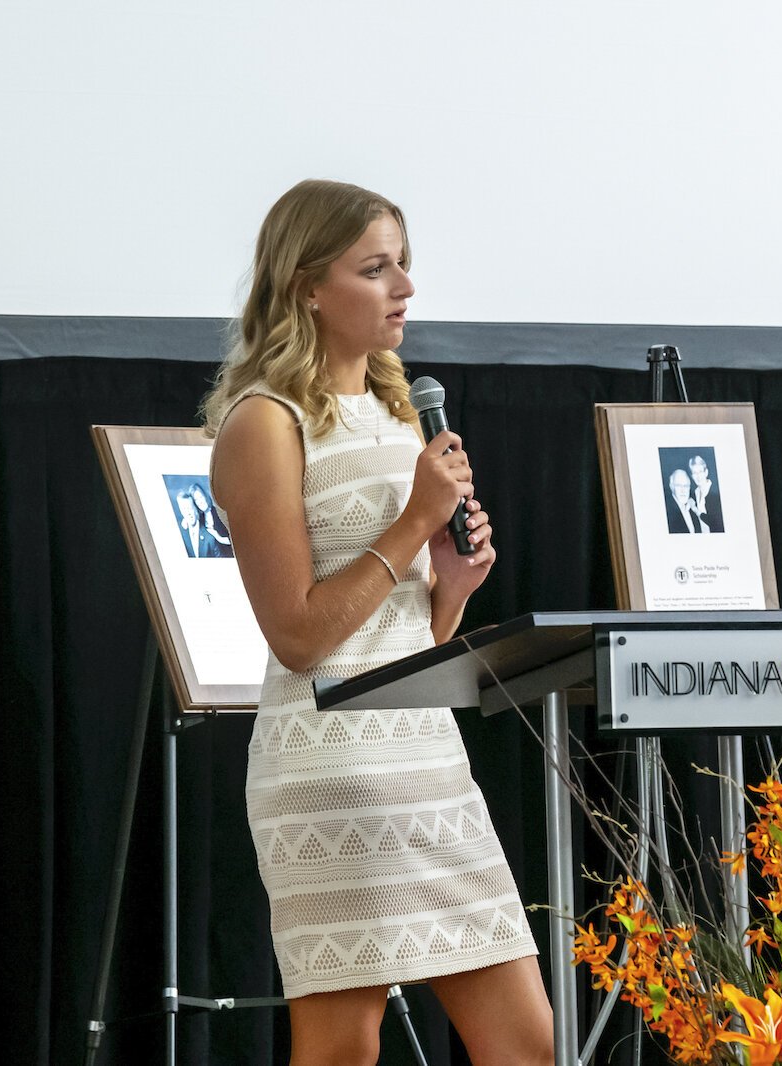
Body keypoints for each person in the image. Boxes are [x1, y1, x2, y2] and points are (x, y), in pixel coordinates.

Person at [202, 180, 552, 1066]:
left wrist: (455, 585)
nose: (403, 286)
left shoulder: (402, 415)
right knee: (340, 1053)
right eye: (375, 267)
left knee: (526, 1044)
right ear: (307, 288)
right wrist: (409, 527)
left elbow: (411, 647)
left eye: (404, 263)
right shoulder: (263, 424)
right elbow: (300, 637)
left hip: (427, 761)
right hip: (333, 768)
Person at [190, 481, 234, 556]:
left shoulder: (219, 513)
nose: (200, 502)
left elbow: (236, 542)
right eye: (196, 500)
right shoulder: (200, 519)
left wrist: (218, 537)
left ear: (205, 496)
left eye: (201, 497)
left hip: (228, 555)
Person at [686, 453, 724, 532]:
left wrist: (696, 510)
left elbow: (717, 523)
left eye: (700, 471)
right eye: (694, 473)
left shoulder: (716, 492)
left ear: (706, 472)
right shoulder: (694, 493)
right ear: (691, 476)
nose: (698, 476)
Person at [665, 466, 709, 533]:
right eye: (678, 485)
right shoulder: (666, 510)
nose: (683, 490)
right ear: (671, 486)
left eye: (686, 486)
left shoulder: (693, 507)